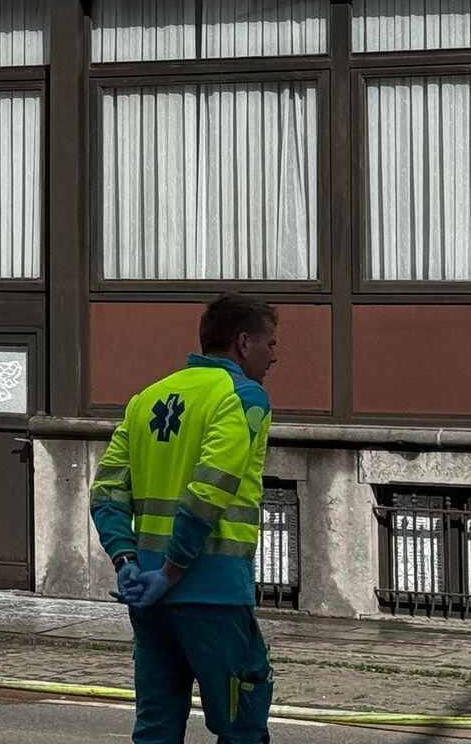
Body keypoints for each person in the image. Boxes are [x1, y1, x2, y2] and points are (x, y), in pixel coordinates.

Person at [90, 293, 278, 744]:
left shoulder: (147, 399)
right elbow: (209, 491)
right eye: (270, 343)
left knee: (156, 728)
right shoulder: (244, 397)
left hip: (148, 597)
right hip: (213, 594)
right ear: (243, 342)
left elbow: (106, 492)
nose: (275, 355)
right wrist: (173, 572)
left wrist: (127, 562)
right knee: (242, 725)